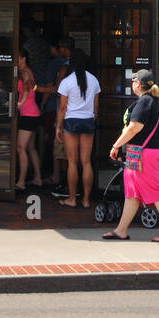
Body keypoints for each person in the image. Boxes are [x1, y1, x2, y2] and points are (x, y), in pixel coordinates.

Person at [102, 70, 159, 243]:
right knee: (133, 193)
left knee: (155, 190)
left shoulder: (144, 101)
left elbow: (134, 127)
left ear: (138, 83)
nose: (132, 82)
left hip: (143, 153)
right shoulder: (150, 102)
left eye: (134, 80)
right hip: (143, 152)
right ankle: (121, 230)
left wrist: (116, 145)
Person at [55, 50, 100, 208]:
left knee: (72, 162)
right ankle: (86, 200)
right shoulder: (94, 80)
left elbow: (62, 107)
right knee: (86, 162)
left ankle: (72, 199)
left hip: (71, 122)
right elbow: (96, 108)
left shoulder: (66, 82)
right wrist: (91, 118)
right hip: (88, 121)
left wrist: (58, 126)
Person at [43, 37, 72, 190]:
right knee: (77, 157)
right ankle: (72, 188)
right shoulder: (88, 77)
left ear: (65, 49)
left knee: (61, 151)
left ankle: (63, 184)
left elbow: (56, 90)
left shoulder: (62, 67)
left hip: (64, 113)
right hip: (81, 117)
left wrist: (36, 89)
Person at [16, 50, 43, 191]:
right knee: (31, 148)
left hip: (28, 113)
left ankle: (21, 181)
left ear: (23, 58)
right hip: (32, 113)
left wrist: (20, 103)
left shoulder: (25, 72)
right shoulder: (24, 71)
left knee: (20, 148)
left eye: (17, 57)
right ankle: (38, 178)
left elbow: (27, 89)